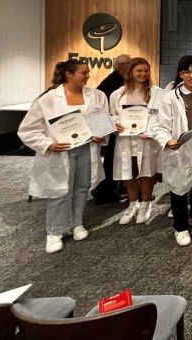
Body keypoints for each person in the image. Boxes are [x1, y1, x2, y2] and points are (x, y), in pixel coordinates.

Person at [18, 60, 108, 253]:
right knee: (59, 190)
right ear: (69, 74)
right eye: (83, 73)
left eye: (87, 72)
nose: (88, 76)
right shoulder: (48, 99)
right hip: (59, 153)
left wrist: (101, 135)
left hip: (86, 149)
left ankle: (77, 224)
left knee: (82, 187)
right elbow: (27, 130)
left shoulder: (97, 96)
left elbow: (102, 122)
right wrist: (48, 144)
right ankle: (55, 232)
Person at [152, 56, 192, 247]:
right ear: (181, 74)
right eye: (187, 72)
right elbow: (160, 126)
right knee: (179, 188)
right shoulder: (170, 98)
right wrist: (168, 141)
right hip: (180, 149)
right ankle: (180, 227)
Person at [109, 58, 161, 225]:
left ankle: (146, 204)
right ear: (131, 72)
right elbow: (112, 115)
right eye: (139, 70)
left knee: (146, 173)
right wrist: (115, 124)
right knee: (129, 174)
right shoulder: (117, 94)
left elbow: (162, 116)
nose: (143, 74)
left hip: (147, 140)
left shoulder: (156, 93)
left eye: (146, 70)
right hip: (126, 140)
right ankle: (132, 205)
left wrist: (152, 130)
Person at [93, 53, 132, 204]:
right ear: (121, 65)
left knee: (115, 160)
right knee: (112, 161)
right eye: (130, 63)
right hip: (114, 128)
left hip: (119, 127)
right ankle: (106, 192)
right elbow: (103, 108)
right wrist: (110, 124)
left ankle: (112, 190)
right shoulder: (111, 83)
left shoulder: (119, 80)